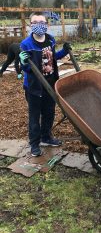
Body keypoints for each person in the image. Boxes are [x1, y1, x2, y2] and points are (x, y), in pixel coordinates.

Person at [19, 12, 71, 157]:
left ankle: (46, 137)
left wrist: (64, 51)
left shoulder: (50, 40)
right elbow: (28, 69)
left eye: (42, 22)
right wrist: (23, 63)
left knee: (49, 112)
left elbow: (53, 58)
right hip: (34, 87)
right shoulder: (26, 44)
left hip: (50, 83)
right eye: (35, 22)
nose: (38, 25)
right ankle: (34, 144)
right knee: (35, 116)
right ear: (30, 25)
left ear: (47, 25)